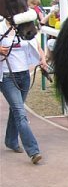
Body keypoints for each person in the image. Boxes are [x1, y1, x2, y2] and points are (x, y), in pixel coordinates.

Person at [0, 17, 48, 164]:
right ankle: (33, 151)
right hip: (7, 76)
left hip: (24, 75)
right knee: (20, 113)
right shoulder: (1, 27)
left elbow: (37, 46)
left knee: (16, 110)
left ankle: (10, 140)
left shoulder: (25, 27)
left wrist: (42, 59)